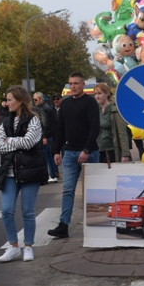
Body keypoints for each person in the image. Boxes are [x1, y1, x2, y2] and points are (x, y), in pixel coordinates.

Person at [0, 86, 47, 263]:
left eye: (10, 99)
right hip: (9, 172)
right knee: (6, 210)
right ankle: (14, 247)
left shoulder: (33, 120)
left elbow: (29, 142)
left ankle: (28, 246)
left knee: (27, 211)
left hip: (30, 171)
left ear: (20, 100)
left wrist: (10, 140)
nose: (6, 103)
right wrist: (15, 142)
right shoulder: (4, 122)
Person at [48, 72, 100, 239]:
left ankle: (96, 224)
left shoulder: (90, 102)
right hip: (69, 153)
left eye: (76, 83)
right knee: (67, 190)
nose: (73, 86)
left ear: (83, 84)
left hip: (89, 153)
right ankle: (63, 225)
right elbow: (60, 129)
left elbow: (95, 128)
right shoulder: (65, 104)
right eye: (71, 83)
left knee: (92, 191)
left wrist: (86, 150)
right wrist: (56, 151)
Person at [93, 83, 126, 163]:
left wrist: (125, 154)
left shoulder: (114, 110)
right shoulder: (95, 110)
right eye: (95, 94)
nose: (97, 96)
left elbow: (122, 133)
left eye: (100, 93)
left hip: (111, 150)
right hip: (97, 151)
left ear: (107, 93)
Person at [33, 91, 61, 181]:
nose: (34, 102)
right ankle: (53, 174)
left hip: (46, 136)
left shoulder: (43, 109)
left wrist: (44, 136)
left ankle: (52, 175)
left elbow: (45, 123)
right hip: (50, 135)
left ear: (41, 99)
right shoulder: (47, 107)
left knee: (48, 156)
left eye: (36, 100)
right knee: (50, 156)